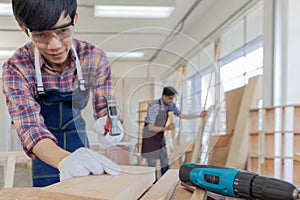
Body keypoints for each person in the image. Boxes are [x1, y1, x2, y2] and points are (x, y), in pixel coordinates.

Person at [2, 0, 123, 187]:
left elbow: (104, 107)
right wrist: (64, 160)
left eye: (63, 31)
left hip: (79, 143)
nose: (54, 45)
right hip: (45, 153)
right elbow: (30, 127)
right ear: (23, 28)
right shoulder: (16, 68)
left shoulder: (94, 57)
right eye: (41, 34)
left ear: (74, 18)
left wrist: (110, 122)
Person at [141, 86, 207, 176]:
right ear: (164, 96)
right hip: (150, 136)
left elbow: (181, 115)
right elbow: (150, 127)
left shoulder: (171, 105)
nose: (171, 101)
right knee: (152, 164)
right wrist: (166, 129)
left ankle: (165, 181)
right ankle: (152, 185)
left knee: (164, 161)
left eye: (173, 98)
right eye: (170, 98)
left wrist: (199, 115)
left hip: (159, 135)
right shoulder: (154, 106)